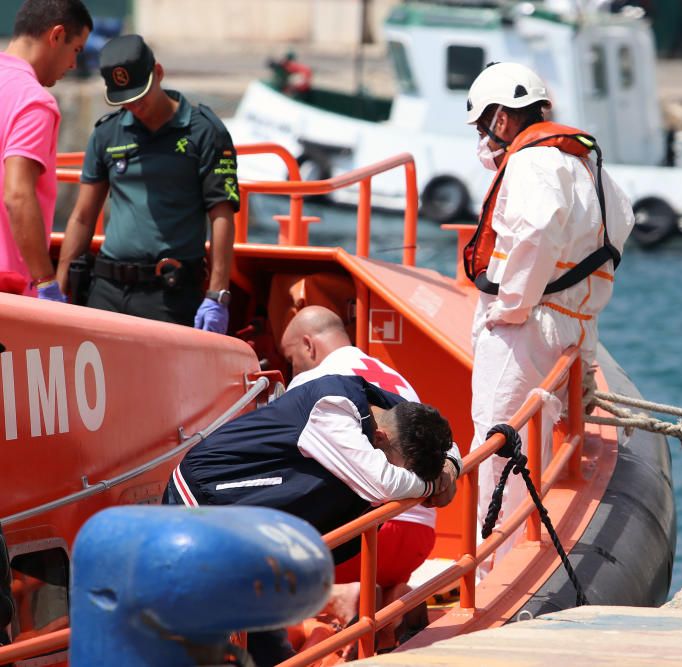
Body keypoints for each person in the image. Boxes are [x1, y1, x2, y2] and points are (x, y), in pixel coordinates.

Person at [463, 62, 635, 566]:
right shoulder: (583, 160)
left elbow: (535, 229)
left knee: (497, 441)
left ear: (500, 119)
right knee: (535, 434)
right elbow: (620, 220)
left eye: (482, 127)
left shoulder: (531, 163)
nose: (483, 140)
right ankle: (514, 542)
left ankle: (492, 561)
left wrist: (511, 305)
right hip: (575, 322)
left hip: (529, 323)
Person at [164, 371, 458, 666]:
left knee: (265, 645)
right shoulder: (331, 408)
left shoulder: (390, 410)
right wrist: (431, 486)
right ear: (379, 438)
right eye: (402, 469)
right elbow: (382, 482)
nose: (403, 480)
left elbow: (447, 442)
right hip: (205, 507)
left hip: (256, 535)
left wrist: (450, 465)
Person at [55, 34, 239, 332]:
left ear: (159, 74)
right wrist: (59, 286)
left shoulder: (205, 133)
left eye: (140, 96)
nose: (135, 106)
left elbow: (221, 214)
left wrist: (217, 295)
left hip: (169, 293)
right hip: (106, 290)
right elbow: (82, 216)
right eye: (125, 100)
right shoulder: (107, 134)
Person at [281, 306, 459, 592]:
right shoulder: (395, 378)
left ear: (308, 345)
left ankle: (344, 596)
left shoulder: (313, 383)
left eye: (291, 360)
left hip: (359, 543)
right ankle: (389, 597)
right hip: (418, 541)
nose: (293, 370)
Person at [1, 0, 92, 300]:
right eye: (76, 50)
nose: (73, 65)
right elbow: (17, 194)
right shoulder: (33, 101)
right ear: (56, 36)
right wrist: (45, 282)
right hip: (9, 292)